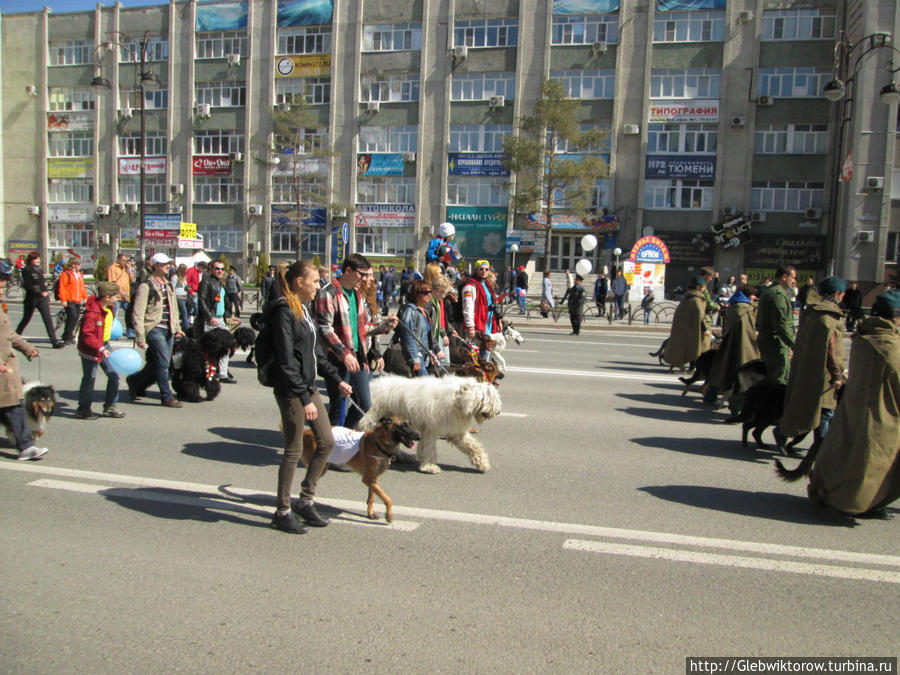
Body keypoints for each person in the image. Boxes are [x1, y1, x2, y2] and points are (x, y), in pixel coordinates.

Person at [267, 260, 351, 534]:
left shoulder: (303, 309)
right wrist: (303, 398)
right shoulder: (283, 311)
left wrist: (337, 380)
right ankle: (281, 511)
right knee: (293, 450)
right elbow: (286, 359)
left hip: (307, 387)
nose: (319, 286)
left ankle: (305, 500)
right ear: (298, 283)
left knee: (326, 442)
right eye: (315, 281)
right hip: (292, 390)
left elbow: (315, 355)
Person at [806, 289, 900, 518]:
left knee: (848, 454)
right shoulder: (888, 343)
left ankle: (861, 501)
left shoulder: (867, 334)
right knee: (869, 463)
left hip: (859, 403)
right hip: (880, 411)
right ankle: (852, 503)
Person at [776, 277, 846, 450]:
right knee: (824, 411)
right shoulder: (829, 318)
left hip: (807, 367)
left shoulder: (812, 312)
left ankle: (785, 433)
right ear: (837, 294)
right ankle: (820, 449)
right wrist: (837, 375)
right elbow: (831, 349)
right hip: (824, 373)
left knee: (810, 408)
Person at [315, 253, 381, 428]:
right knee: (338, 406)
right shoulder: (327, 292)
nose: (366, 279)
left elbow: (361, 328)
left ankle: (344, 434)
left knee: (365, 403)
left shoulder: (357, 294)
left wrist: (382, 327)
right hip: (336, 359)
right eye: (362, 274)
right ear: (348, 271)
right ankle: (331, 446)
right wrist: (344, 355)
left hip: (358, 357)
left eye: (368, 275)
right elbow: (324, 328)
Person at [126, 253, 184, 408]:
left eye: (168, 263)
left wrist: (177, 328)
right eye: (165, 264)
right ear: (156, 265)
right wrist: (140, 336)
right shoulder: (146, 286)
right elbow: (138, 313)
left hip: (169, 330)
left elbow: (174, 308)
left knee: (160, 363)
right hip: (155, 329)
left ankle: (135, 380)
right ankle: (166, 396)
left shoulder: (168, 284)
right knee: (163, 363)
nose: (168, 266)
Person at [0, 269, 47, 461]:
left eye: (2, 287)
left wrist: (27, 348)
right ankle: (26, 445)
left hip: (6, 366)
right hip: (2, 367)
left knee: (12, 405)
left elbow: (9, 334)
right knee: (12, 405)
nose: (0, 291)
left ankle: (26, 445)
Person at [75, 281, 126, 420]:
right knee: (89, 378)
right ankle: (83, 409)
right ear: (107, 297)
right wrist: (100, 348)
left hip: (103, 344)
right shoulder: (92, 313)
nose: (117, 299)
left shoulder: (109, 307)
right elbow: (87, 335)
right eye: (115, 296)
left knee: (114, 374)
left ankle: (110, 406)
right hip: (91, 348)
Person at [704, 284, 760, 405]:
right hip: (742, 345)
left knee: (721, 370)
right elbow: (749, 330)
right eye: (752, 295)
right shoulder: (746, 309)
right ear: (747, 295)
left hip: (728, 344)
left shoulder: (734, 305)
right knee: (740, 371)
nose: (754, 298)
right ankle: (737, 401)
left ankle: (710, 396)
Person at [755, 264, 797, 384]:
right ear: (785, 277)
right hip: (776, 343)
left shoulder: (771, 291)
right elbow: (781, 324)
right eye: (793, 278)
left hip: (770, 341)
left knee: (769, 377)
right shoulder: (778, 295)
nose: (794, 281)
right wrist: (793, 344)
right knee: (779, 379)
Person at [196, 260, 234, 383]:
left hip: (220, 319)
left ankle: (222, 373)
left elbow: (224, 301)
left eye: (222, 269)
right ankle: (207, 375)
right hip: (209, 320)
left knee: (226, 346)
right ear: (211, 269)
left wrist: (229, 315)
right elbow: (201, 300)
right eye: (217, 268)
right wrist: (209, 316)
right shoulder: (206, 281)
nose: (220, 271)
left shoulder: (221, 282)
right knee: (209, 349)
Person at [15, 252, 64, 348]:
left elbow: (42, 284)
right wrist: (39, 292)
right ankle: (15, 337)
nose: (38, 260)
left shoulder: (39, 270)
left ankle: (54, 341)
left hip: (42, 299)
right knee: (26, 319)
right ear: (31, 260)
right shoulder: (26, 270)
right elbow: (28, 285)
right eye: (36, 259)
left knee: (47, 319)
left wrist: (46, 294)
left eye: (39, 259)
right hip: (32, 298)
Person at [395, 279, 442, 376]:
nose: (429, 294)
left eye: (430, 292)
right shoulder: (410, 311)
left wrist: (432, 352)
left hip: (425, 356)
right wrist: (415, 359)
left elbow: (428, 337)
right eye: (426, 292)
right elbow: (409, 337)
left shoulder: (425, 311)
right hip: (416, 356)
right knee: (426, 385)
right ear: (416, 294)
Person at [663, 275, 711, 369]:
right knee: (696, 347)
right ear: (698, 287)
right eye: (704, 287)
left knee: (684, 347)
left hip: (685, 328)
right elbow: (700, 316)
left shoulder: (687, 298)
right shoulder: (697, 300)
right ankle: (692, 367)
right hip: (694, 330)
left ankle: (681, 364)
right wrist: (705, 329)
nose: (704, 289)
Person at [461, 259, 501, 347]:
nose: (484, 271)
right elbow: (468, 307)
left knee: (485, 356)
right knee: (474, 357)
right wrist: (470, 326)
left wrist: (498, 320)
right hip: (476, 327)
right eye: (481, 269)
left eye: (487, 269)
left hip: (488, 326)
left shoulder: (487, 285)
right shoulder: (470, 286)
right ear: (476, 270)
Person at [58, 258, 88, 345]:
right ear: (73, 265)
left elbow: (82, 287)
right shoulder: (66, 274)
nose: (80, 266)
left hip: (77, 300)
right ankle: (67, 336)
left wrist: (85, 297)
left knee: (74, 319)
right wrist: (63, 300)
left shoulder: (79, 275)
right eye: (78, 264)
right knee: (73, 317)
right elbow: (62, 288)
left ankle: (66, 335)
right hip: (69, 300)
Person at [107, 253, 135, 328]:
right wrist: (121, 292)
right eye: (123, 261)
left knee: (130, 313)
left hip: (126, 296)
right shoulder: (112, 268)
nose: (125, 262)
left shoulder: (125, 269)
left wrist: (129, 270)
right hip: (117, 296)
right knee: (113, 314)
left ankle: (130, 332)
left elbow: (132, 280)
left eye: (126, 261)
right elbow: (113, 282)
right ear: (119, 260)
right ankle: (110, 330)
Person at [173, 264, 191, 333]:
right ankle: (186, 327)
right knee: (184, 311)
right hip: (178, 297)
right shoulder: (175, 277)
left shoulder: (184, 278)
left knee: (185, 311)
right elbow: (172, 287)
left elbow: (185, 286)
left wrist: (188, 288)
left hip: (184, 296)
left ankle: (181, 325)